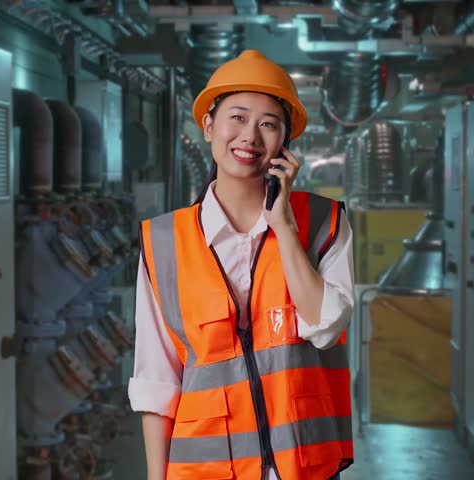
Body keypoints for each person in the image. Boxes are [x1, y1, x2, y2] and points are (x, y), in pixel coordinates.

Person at [128, 49, 355, 480]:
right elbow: (156, 382)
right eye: (237, 117)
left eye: (269, 123)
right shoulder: (162, 242)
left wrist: (284, 228)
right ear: (209, 125)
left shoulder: (325, 224)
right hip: (206, 471)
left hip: (303, 469)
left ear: (285, 142)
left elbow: (325, 326)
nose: (250, 136)